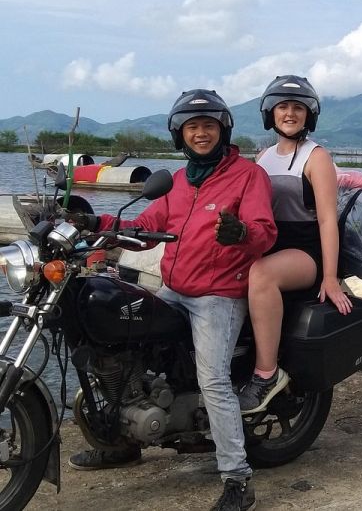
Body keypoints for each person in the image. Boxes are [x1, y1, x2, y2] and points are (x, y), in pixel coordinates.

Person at [67, 89, 277, 511]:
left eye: (208, 126)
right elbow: (144, 225)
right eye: (192, 127)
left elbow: (265, 232)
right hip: (174, 288)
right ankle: (121, 443)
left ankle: (238, 478)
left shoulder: (248, 176)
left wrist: (241, 234)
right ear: (179, 135)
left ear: (223, 130)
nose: (201, 134)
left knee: (213, 380)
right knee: (120, 345)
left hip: (218, 296)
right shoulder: (179, 181)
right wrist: (94, 221)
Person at [238, 75, 353, 414]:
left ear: (309, 115)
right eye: (283, 107)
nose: (290, 113)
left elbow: (327, 220)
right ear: (270, 113)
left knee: (261, 274)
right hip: (271, 244)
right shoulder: (263, 156)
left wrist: (330, 277)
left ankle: (266, 375)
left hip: (306, 249)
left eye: (298, 108)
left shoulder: (316, 157)